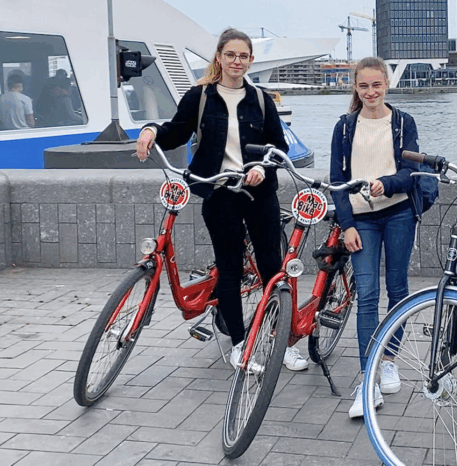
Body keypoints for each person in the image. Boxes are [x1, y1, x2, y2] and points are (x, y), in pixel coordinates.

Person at [135, 28, 308, 372]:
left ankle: (280, 339)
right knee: (228, 269)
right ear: (219, 57)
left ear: (250, 60)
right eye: (230, 55)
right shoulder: (200, 97)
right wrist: (152, 129)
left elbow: (279, 146)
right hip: (218, 192)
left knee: (272, 268)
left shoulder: (261, 99)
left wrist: (261, 165)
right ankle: (241, 345)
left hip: (259, 193)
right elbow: (176, 131)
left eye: (243, 56)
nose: (236, 61)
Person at [329, 57, 419, 419]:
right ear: (355, 87)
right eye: (363, 86)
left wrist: (388, 183)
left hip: (397, 212)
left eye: (376, 85)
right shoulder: (345, 127)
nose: (370, 92)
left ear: (386, 85)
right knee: (367, 294)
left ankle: (390, 360)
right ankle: (367, 379)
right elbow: (337, 179)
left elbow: (412, 171)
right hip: (360, 219)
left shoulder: (402, 122)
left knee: (397, 288)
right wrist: (346, 224)